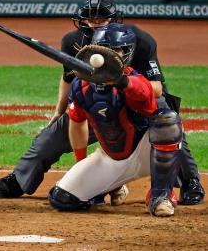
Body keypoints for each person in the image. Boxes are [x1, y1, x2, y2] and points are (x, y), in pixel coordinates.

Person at [0, 0, 204, 206]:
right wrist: (59, 111)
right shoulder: (72, 42)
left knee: (168, 124)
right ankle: (20, 179)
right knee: (52, 135)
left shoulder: (138, 39)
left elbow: (156, 89)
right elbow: (68, 78)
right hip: (95, 103)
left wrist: (123, 83)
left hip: (139, 104)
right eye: (91, 20)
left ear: (113, 20)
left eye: (101, 20)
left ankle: (190, 182)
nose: (95, 24)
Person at [48, 23, 181, 217]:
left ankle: (161, 195)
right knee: (62, 198)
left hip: (146, 152)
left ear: (126, 53)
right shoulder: (80, 87)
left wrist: (121, 81)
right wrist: (80, 162)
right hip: (112, 157)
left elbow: (143, 92)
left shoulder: (134, 79)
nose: (113, 54)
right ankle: (115, 185)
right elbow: (77, 124)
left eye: (117, 49)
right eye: (107, 49)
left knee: (167, 121)